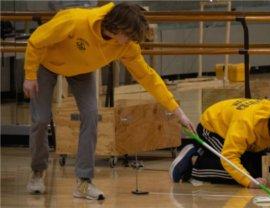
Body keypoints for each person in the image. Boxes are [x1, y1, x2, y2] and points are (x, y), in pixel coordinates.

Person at [23, 2, 193, 200]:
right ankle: (37, 172)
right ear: (117, 27)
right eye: (128, 35)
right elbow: (35, 40)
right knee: (41, 119)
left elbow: (148, 77)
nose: (130, 41)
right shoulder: (75, 21)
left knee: (92, 115)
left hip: (82, 70)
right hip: (46, 64)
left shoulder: (125, 45)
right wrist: (30, 75)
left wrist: (177, 111)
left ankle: (84, 182)